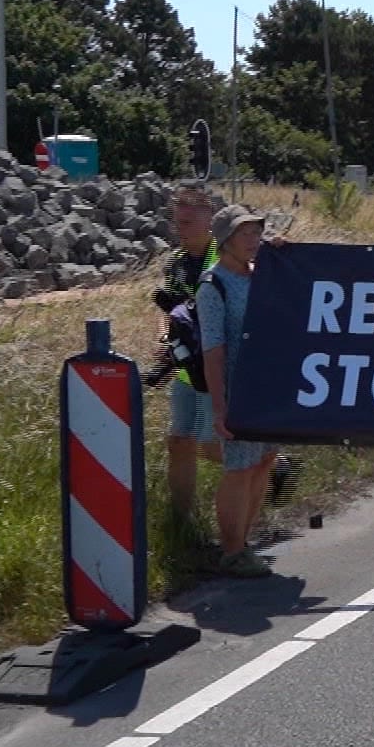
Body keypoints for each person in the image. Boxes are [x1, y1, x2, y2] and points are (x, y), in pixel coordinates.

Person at [199, 205, 280, 577]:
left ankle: (243, 542)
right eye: (244, 233)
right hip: (238, 389)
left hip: (267, 386)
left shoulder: (260, 273)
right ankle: (231, 551)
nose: (253, 239)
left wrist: (284, 253)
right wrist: (220, 407)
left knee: (264, 461)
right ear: (225, 240)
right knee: (240, 467)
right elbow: (213, 350)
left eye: (256, 231)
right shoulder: (212, 285)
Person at [150, 185, 220, 525]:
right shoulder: (176, 261)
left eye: (188, 222)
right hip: (186, 368)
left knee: (212, 447)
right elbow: (169, 307)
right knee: (179, 441)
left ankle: (271, 463)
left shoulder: (225, 257)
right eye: (178, 222)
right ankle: (182, 523)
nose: (181, 229)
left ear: (209, 221)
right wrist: (164, 336)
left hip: (217, 367)